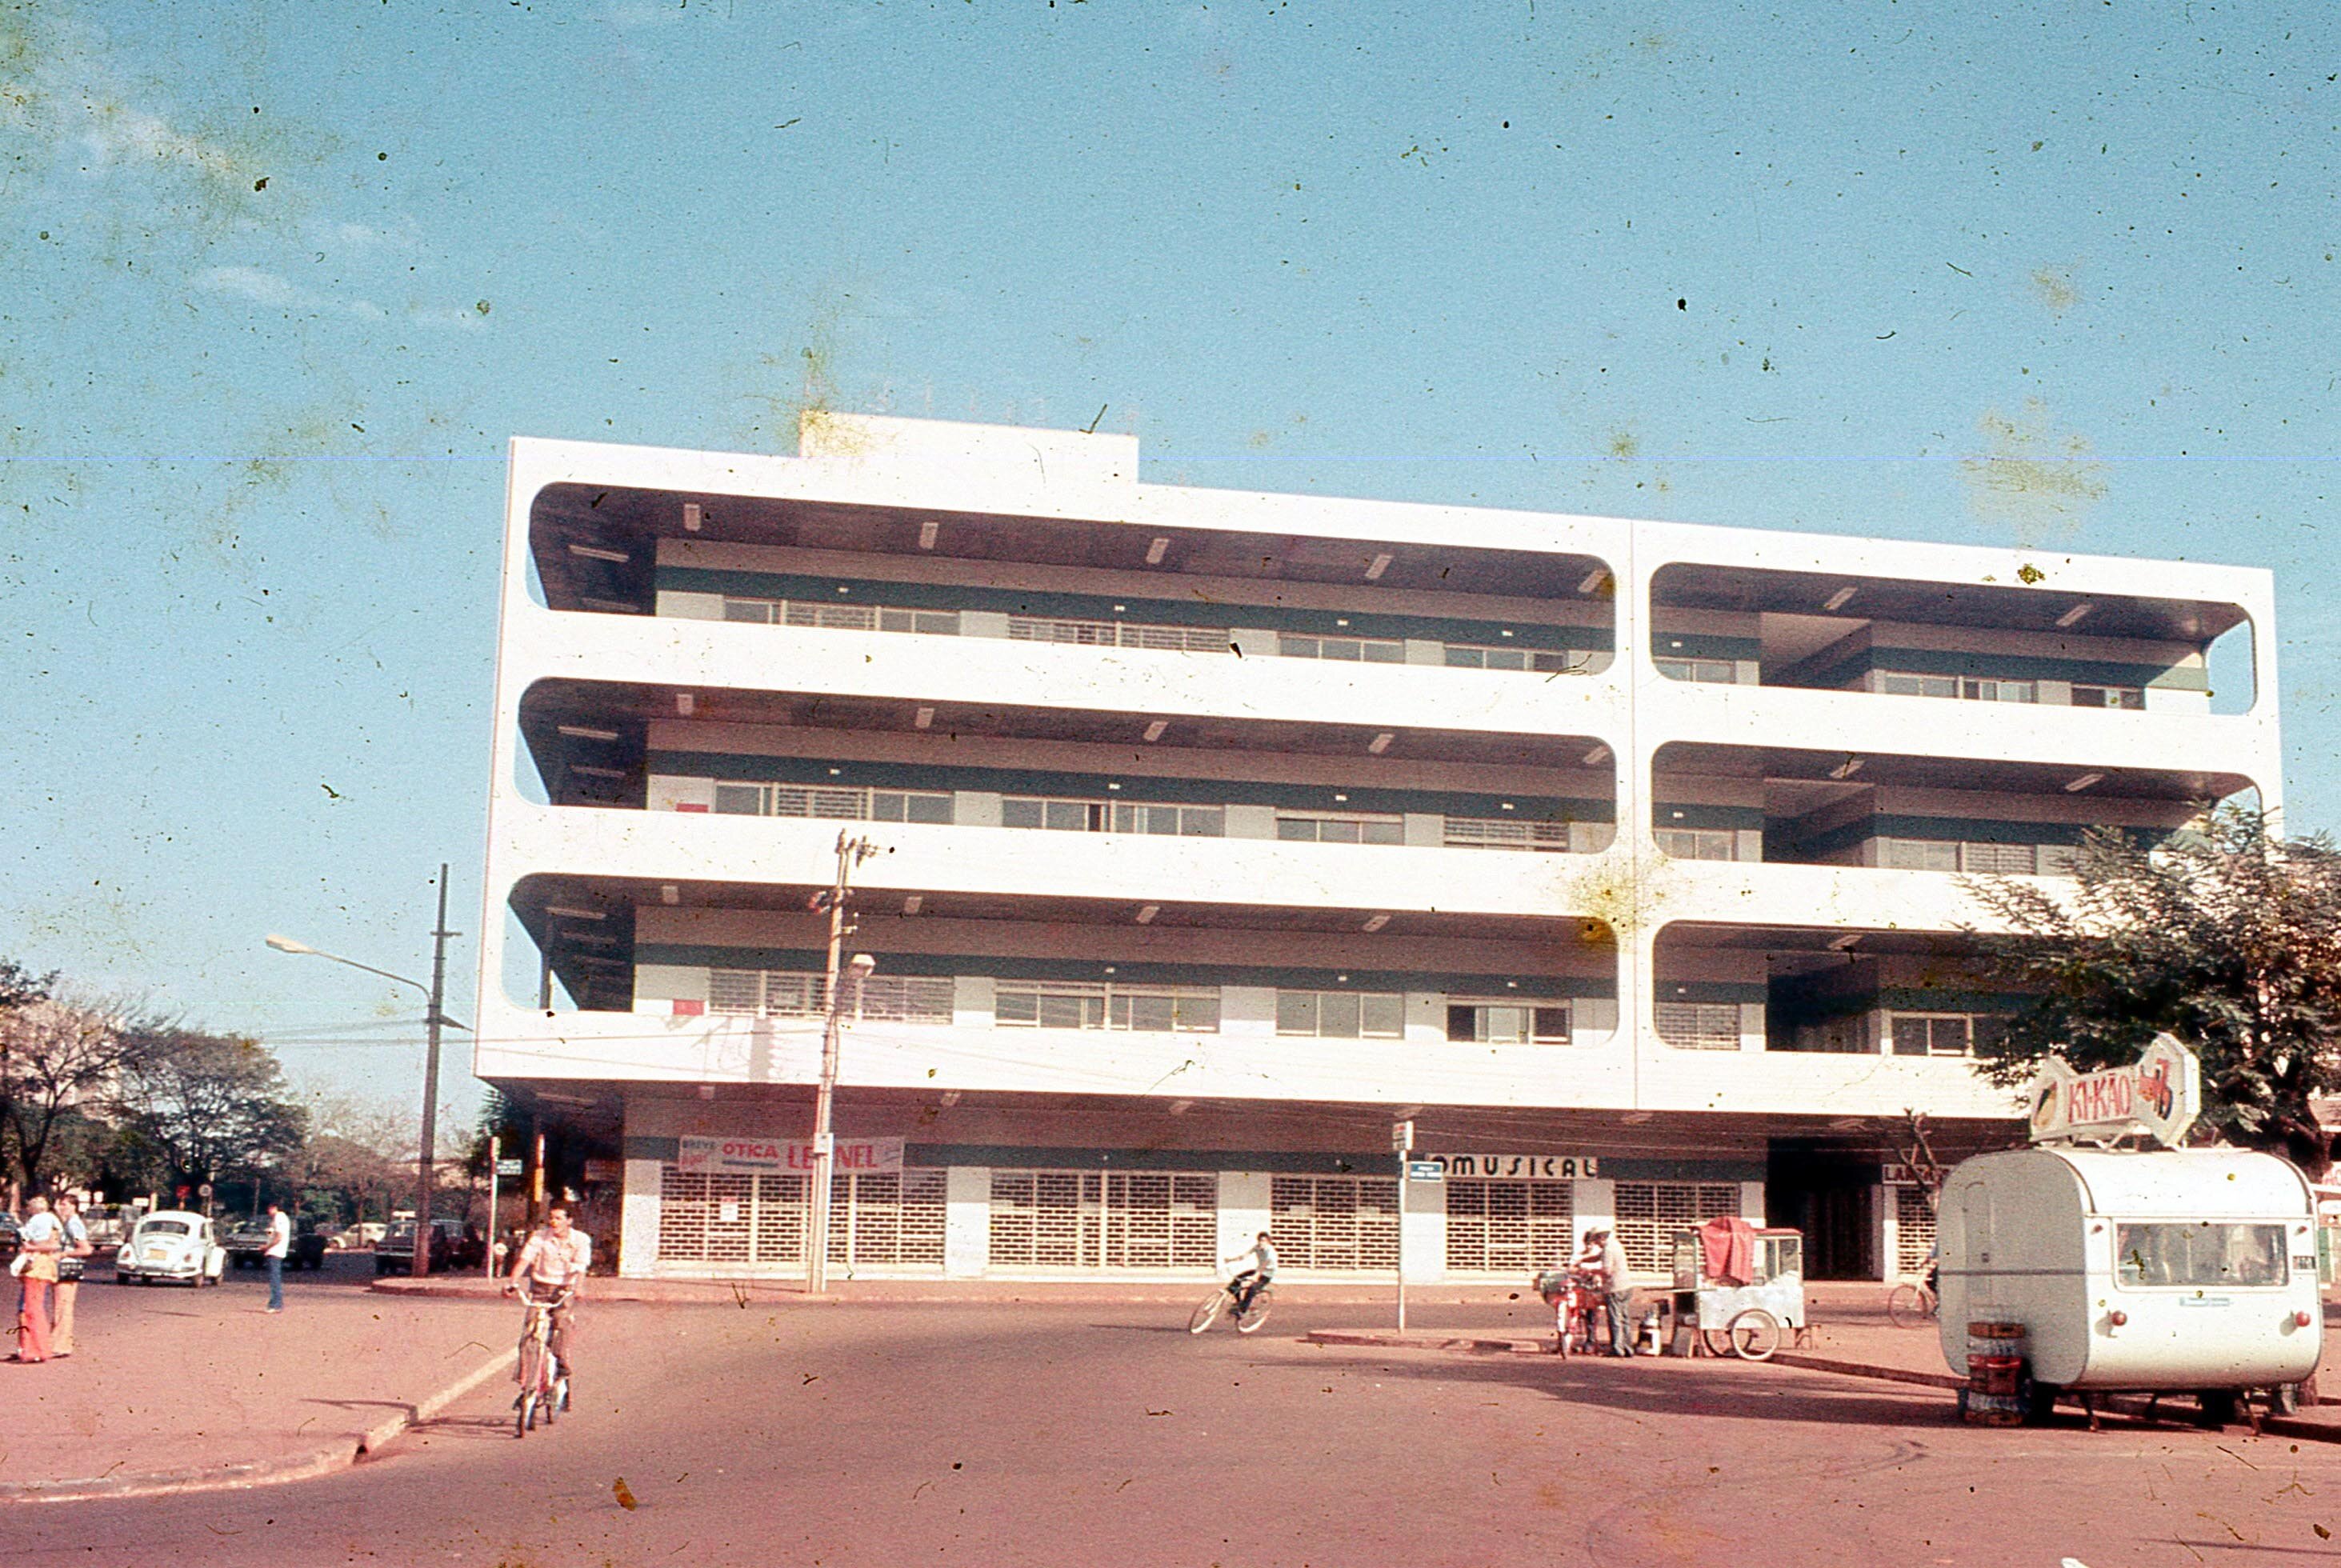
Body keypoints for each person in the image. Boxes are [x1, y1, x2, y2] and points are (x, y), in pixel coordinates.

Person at [503, 1206, 592, 1388]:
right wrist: (511, 1283)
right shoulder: (539, 1237)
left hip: (564, 1288)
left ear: (569, 1221)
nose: (554, 1222)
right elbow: (524, 1261)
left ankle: (561, 1365)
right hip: (540, 1287)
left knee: (562, 1325)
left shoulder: (580, 1240)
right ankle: (526, 1382)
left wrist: (579, 1288)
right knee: (530, 1330)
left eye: (559, 1218)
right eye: (551, 1218)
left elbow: (581, 1267)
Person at [11, 1195, 62, 1363]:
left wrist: (31, 1247)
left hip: (35, 1269)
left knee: (29, 1310)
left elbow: (40, 1244)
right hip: (44, 1269)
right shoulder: (53, 1222)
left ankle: (33, 1349)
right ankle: (35, 1347)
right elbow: (54, 1244)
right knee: (33, 1308)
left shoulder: (36, 1223)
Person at [50, 1195, 93, 1356]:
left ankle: (60, 1345)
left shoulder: (74, 1224)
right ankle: (57, 1342)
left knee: (62, 1306)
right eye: (60, 1204)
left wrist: (63, 1254)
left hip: (67, 1268)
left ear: (74, 1206)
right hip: (65, 1268)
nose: (61, 1207)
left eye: (65, 1204)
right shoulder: (68, 1223)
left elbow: (86, 1249)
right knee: (62, 1306)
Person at [1595, 1227, 1635, 1358]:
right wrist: (1581, 1260)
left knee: (1615, 1318)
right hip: (1626, 1285)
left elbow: (1607, 1271)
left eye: (1597, 1241)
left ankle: (1617, 1348)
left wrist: (1590, 1272)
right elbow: (1596, 1257)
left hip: (1614, 1287)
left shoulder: (1608, 1249)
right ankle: (1628, 1347)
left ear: (1601, 1238)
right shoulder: (1616, 1244)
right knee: (1624, 1318)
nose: (1597, 1244)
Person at [1223, 1230, 1277, 1315]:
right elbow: (1244, 1256)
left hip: (1266, 1275)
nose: (1261, 1243)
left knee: (1252, 1289)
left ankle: (1242, 1310)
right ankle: (1239, 1302)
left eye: (1263, 1241)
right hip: (1258, 1270)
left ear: (1268, 1242)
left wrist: (1255, 1276)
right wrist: (1230, 1260)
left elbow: (1264, 1265)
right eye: (1259, 1240)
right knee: (1236, 1282)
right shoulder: (1257, 1248)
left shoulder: (1270, 1252)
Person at [261, 1201, 292, 1313]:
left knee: (275, 1279)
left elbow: (279, 1236)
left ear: (274, 1208)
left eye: (269, 1209)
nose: (268, 1212)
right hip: (274, 1251)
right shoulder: (278, 1219)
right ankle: (275, 1303)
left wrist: (267, 1247)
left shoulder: (279, 1217)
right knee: (274, 1278)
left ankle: (276, 1304)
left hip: (276, 1251)